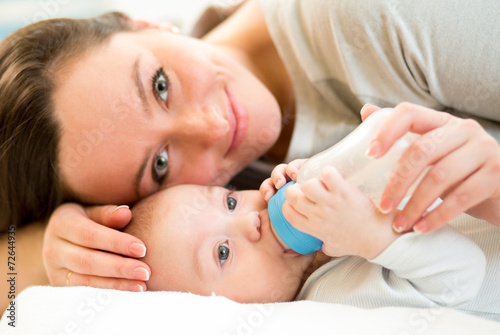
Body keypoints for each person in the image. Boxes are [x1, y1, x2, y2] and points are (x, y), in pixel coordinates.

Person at [2, 0, 500, 305]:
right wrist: (56, 247)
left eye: (159, 86)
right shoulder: (231, 219)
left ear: (147, 24)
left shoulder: (384, 19)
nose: (214, 124)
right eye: (160, 165)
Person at [121, 172, 499, 321]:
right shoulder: (333, 303)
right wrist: (371, 234)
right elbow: (464, 276)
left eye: (230, 201)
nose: (250, 219)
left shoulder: (324, 237)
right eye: (223, 252)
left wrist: (323, 171)